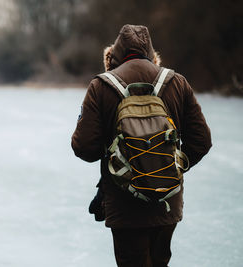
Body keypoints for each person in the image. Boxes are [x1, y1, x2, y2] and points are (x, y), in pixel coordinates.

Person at [71, 24, 212, 267]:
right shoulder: (177, 82)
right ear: (151, 52)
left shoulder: (101, 86)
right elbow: (201, 141)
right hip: (166, 200)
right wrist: (167, 165)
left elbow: (84, 147)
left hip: (124, 205)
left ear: (114, 54)